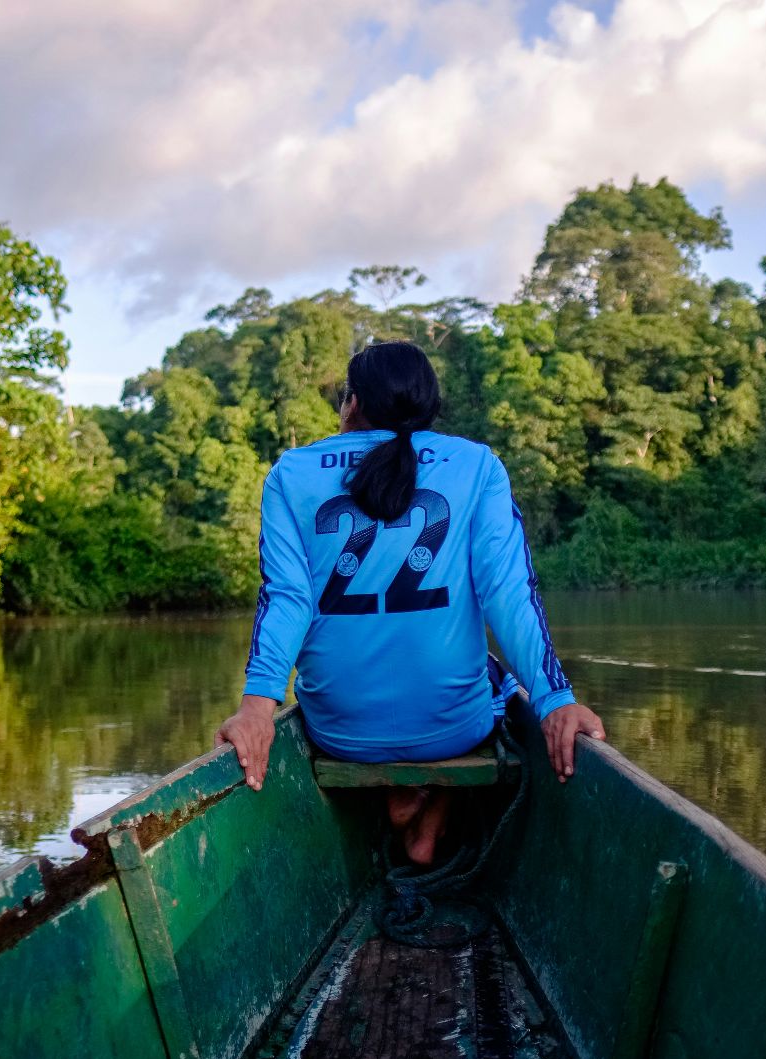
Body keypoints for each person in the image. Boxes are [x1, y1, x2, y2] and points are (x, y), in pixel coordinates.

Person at [215, 340, 605, 865]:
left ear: (352, 404)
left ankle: (400, 799)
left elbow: (287, 598)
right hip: (452, 726)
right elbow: (507, 594)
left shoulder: (291, 473)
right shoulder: (477, 465)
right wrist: (556, 701)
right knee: (499, 681)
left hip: (338, 731)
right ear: (429, 404)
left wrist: (256, 707)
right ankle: (431, 807)